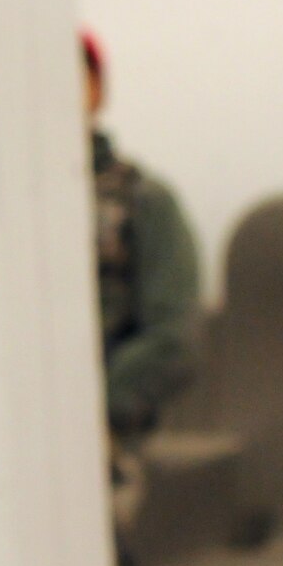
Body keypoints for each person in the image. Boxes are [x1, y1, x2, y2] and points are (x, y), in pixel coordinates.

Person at [84, 29, 202, 535]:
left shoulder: (142, 201)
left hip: (108, 438)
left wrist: (94, 408)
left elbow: (173, 339)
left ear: (96, 90)